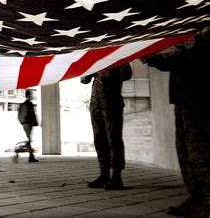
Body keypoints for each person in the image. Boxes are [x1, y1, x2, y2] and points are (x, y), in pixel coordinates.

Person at [142, 29, 210, 217]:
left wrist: (154, 57)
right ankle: (196, 197)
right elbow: (177, 59)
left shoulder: (203, 38)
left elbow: (189, 58)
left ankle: (207, 201)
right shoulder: (192, 33)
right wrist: (151, 57)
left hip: (200, 100)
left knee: (201, 152)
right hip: (184, 99)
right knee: (186, 151)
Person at [80, 63, 132, 190]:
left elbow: (127, 74)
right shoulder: (96, 60)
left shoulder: (119, 57)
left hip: (112, 103)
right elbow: (84, 80)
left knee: (114, 139)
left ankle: (116, 176)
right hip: (96, 105)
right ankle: (104, 174)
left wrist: (109, 73)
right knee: (99, 139)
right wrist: (89, 68)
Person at [18, 89, 39, 163]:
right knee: (28, 140)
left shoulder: (23, 104)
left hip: (25, 123)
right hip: (28, 123)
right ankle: (30, 156)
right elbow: (31, 114)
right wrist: (35, 123)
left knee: (29, 139)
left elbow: (20, 115)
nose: (33, 95)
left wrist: (22, 122)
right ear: (29, 95)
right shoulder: (28, 104)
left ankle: (31, 156)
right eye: (32, 94)